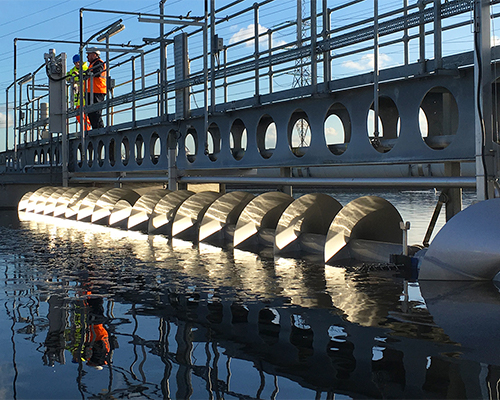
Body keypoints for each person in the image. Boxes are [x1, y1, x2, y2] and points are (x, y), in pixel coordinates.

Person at [67, 54, 91, 131]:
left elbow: (86, 77)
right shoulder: (72, 70)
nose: (77, 64)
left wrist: (78, 76)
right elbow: (67, 76)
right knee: (78, 115)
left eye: (78, 62)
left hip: (85, 96)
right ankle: (85, 130)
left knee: (85, 115)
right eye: (75, 63)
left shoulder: (86, 69)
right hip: (77, 98)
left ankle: (87, 130)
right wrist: (70, 77)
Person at [84, 48, 107, 129]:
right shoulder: (92, 64)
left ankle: (100, 130)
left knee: (96, 113)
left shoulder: (99, 62)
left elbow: (98, 72)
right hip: (92, 91)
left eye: (89, 54)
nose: (87, 56)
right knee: (91, 113)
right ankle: (96, 129)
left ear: (94, 54)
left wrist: (89, 74)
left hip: (97, 90)